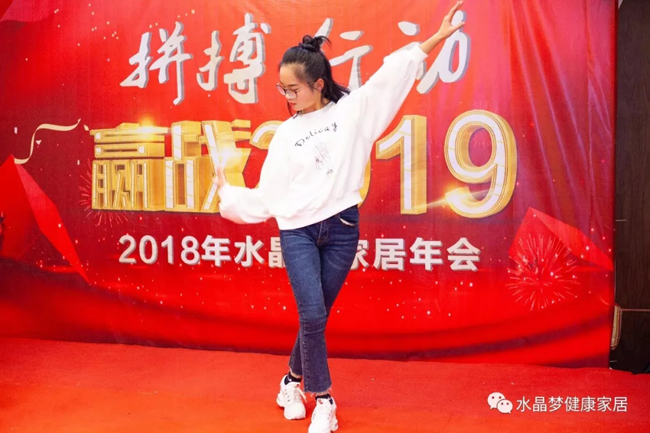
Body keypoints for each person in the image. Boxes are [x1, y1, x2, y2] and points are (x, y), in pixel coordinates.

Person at [214, 2, 466, 432]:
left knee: (316, 316)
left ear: (317, 84)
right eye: (282, 89)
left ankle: (290, 382)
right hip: (297, 231)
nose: (287, 97)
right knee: (312, 315)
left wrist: (435, 40)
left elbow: (391, 75)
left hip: (342, 228)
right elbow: (268, 195)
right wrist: (229, 196)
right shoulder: (285, 136)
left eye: (293, 89)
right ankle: (324, 400)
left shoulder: (352, 112)